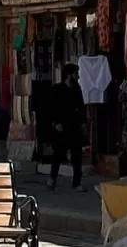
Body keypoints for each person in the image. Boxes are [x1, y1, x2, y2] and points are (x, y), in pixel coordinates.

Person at [49, 63, 86, 192]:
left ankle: (77, 183)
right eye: (76, 73)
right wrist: (56, 122)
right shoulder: (57, 89)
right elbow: (53, 107)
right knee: (58, 154)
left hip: (75, 126)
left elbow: (82, 106)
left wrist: (83, 122)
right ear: (69, 74)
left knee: (77, 156)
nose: (78, 76)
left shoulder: (77, 89)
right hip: (62, 126)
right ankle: (52, 178)